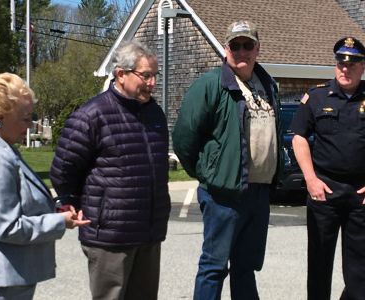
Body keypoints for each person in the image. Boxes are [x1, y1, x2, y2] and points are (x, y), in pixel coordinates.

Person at [50, 40, 171, 300]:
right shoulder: (92, 115)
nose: (152, 83)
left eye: (154, 76)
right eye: (145, 76)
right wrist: (69, 200)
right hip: (109, 235)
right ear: (120, 74)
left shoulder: (155, 114)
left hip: (148, 232)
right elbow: (63, 168)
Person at [172, 20, 283, 300]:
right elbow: (184, 138)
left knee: (246, 267)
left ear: (258, 48)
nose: (242, 51)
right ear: (226, 49)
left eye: (248, 45)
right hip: (224, 196)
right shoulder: (210, 85)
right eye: (236, 45)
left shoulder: (268, 84)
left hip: (258, 193)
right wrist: (208, 173)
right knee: (214, 267)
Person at [0, 73, 90, 300]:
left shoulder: (1, 147)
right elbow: (6, 227)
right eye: (24, 118)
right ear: (0, 116)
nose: (30, 125)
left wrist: (53, 210)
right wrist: (59, 221)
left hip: (6, 278)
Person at [291, 37, 365, 300]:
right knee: (319, 265)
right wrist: (310, 179)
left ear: (362, 67)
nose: (346, 69)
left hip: (360, 195)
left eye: (353, 64)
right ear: (335, 65)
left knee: (359, 272)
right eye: (341, 63)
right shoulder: (317, 96)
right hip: (324, 191)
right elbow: (299, 137)